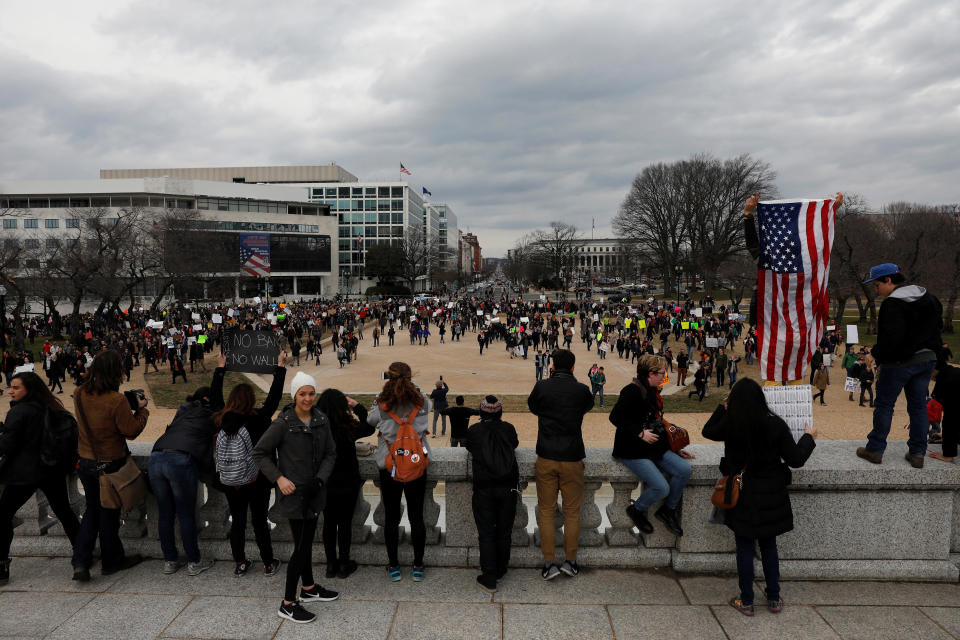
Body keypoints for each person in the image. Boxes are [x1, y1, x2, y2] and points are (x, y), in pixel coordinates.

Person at [702, 378, 817, 616]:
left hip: (741, 492)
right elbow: (795, 459)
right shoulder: (775, 424)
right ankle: (774, 598)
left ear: (734, 402)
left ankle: (746, 601)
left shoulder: (731, 424)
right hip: (771, 492)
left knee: (744, 547)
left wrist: (722, 408)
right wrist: (809, 437)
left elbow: (707, 431)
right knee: (769, 545)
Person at [254, 371, 338, 625]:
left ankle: (309, 588)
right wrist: (279, 479)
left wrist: (320, 479)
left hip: (314, 492)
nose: (308, 398)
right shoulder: (282, 423)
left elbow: (331, 454)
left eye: (311, 393)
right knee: (301, 548)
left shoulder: (321, 419)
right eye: (303, 394)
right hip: (293, 495)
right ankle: (288, 603)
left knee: (305, 543)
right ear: (295, 395)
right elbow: (259, 453)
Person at [72, 349, 150, 582]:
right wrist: (142, 410)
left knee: (91, 512)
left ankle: (81, 562)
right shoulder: (116, 401)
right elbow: (132, 431)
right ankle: (111, 560)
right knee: (108, 515)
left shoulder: (78, 393)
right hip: (110, 465)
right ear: (117, 372)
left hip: (85, 460)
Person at [856, 264, 943, 468]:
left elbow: (891, 339)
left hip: (899, 363)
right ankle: (917, 453)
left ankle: (875, 450)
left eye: (877, 285)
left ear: (888, 280)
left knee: (885, 405)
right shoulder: (929, 297)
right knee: (919, 406)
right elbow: (937, 329)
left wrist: (874, 354)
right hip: (927, 360)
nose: (876, 290)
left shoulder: (892, 304)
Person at [0, 372, 81, 586]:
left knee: (3, 515)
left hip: (23, 474)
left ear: (29, 389)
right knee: (65, 512)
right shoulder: (52, 408)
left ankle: (1, 566)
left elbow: (7, 446)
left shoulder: (18, 412)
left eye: (16, 387)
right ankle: (81, 557)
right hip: (51, 470)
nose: (10, 391)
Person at [148, 358, 227, 576]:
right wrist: (220, 369)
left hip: (156, 456)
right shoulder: (212, 413)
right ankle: (194, 561)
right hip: (180, 460)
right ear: (208, 399)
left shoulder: (183, 410)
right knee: (185, 514)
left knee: (165, 513)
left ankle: (170, 561)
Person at [212, 352, 287, 578]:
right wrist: (280, 367)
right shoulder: (260, 418)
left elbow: (215, 397)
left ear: (230, 400)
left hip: (231, 479)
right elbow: (274, 398)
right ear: (252, 400)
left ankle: (241, 563)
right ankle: (268, 563)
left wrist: (220, 367)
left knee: (238, 522)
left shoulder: (220, 418)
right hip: (258, 480)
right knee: (259, 522)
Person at [527, 348, 594, 580]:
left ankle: (548, 563)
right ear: (573, 367)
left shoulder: (542, 387)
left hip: (546, 455)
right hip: (572, 456)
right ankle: (570, 561)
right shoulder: (581, 390)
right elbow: (587, 407)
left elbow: (533, 407)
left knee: (546, 511)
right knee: (572, 512)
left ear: (552, 366)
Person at [610, 355, 694, 537]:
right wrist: (640, 433)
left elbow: (655, 423)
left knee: (684, 470)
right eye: (662, 374)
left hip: (653, 447)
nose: (665, 378)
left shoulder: (653, 390)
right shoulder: (631, 391)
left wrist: (674, 448)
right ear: (650, 374)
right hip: (632, 449)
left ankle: (667, 510)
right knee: (661, 487)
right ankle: (636, 509)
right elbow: (615, 418)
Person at [367, 361, 432, 582]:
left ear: (389, 378)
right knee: (417, 517)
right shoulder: (421, 401)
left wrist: (380, 393)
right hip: (416, 462)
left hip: (390, 465)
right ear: (410, 377)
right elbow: (430, 405)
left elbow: (370, 420)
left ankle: (394, 566)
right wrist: (416, 388)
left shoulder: (382, 401)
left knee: (392, 517)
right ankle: (418, 565)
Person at [316, 388, 373, 580]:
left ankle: (330, 565)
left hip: (325, 481)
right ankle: (344, 563)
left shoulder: (316, 427)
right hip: (348, 481)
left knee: (329, 523)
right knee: (345, 524)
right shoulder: (348, 426)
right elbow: (370, 425)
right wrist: (356, 405)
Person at [466, 395, 519, 593]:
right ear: (500, 412)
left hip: (484, 489)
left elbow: (470, 447)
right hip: (507, 487)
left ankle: (489, 576)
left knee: (487, 533)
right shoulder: (508, 428)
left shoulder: (474, 431)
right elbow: (514, 444)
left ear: (480, 413)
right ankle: (501, 569)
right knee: (504, 531)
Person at [928, 360, 958, 463]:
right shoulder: (950, 371)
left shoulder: (947, 382)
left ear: (935, 369)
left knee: (950, 419)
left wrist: (948, 453)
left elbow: (950, 420)